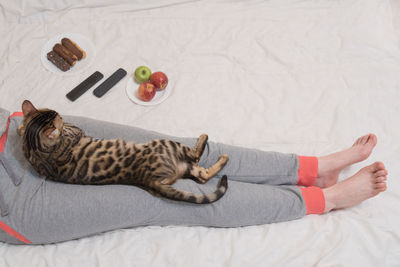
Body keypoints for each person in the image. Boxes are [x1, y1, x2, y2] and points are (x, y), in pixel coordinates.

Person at [0, 108, 387, 245]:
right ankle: (326, 200)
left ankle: (312, 170)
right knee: (158, 193)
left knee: (171, 148)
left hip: (18, 131)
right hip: (16, 202)